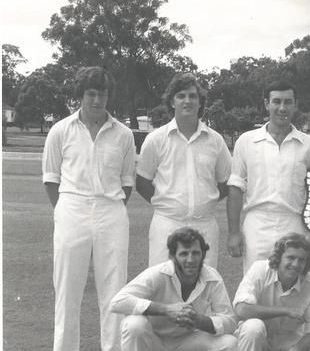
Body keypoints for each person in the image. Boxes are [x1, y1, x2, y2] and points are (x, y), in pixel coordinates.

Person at [42, 66, 136, 351]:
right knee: (68, 290)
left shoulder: (123, 134)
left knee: (114, 290)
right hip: (71, 207)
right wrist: (68, 211)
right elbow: (51, 179)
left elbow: (127, 182)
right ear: (80, 96)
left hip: (111, 211)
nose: (97, 100)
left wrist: (108, 205)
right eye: (91, 94)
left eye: (103, 94)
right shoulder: (60, 131)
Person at [136, 73, 231, 269]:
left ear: (200, 102)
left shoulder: (215, 140)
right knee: (164, 286)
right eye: (181, 96)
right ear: (172, 101)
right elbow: (142, 182)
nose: (187, 101)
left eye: (192, 96)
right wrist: (168, 201)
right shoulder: (156, 139)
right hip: (167, 225)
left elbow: (225, 183)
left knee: (203, 289)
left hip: (205, 226)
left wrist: (203, 201)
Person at [227, 80, 310, 273]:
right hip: (257, 225)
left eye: (288, 102)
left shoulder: (309, 144)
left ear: (295, 104)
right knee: (255, 284)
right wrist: (234, 233)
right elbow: (235, 188)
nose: (282, 108)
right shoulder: (246, 141)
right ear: (266, 104)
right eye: (276, 101)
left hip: (295, 223)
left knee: (294, 285)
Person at [110, 227, 237, 351]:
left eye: (196, 253)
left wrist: (199, 320)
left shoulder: (212, 278)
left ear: (203, 254)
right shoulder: (157, 274)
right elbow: (118, 301)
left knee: (229, 343)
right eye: (184, 254)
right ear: (172, 256)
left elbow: (230, 320)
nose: (190, 259)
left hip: (189, 340)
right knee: (134, 325)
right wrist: (166, 310)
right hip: (153, 340)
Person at [233, 233, 310, 351]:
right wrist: (285, 311)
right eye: (291, 258)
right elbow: (242, 310)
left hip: (290, 344)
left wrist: (295, 350)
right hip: (258, 341)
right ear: (279, 257)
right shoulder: (260, 270)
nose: (295, 264)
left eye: (301, 260)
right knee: (253, 327)